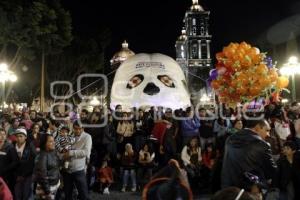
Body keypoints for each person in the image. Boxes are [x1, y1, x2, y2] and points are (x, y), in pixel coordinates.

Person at [221, 118, 277, 189]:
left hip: (229, 189)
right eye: (267, 130)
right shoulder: (262, 144)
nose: (268, 134)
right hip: (251, 190)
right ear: (257, 127)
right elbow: (271, 172)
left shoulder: (230, 139)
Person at [62, 121, 92, 200]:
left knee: (83, 194)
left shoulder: (87, 137)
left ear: (83, 128)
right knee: (68, 194)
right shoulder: (70, 136)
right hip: (67, 169)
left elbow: (86, 152)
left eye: (80, 129)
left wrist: (71, 153)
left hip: (79, 169)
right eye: (75, 129)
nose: (77, 131)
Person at [33, 134, 60, 200]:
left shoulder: (53, 152)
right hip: (46, 188)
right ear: (44, 143)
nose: (53, 143)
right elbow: (42, 175)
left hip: (54, 185)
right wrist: (47, 191)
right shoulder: (42, 156)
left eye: (53, 141)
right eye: (50, 141)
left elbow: (55, 167)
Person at [12, 128, 37, 200]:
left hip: (28, 175)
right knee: (17, 194)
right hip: (16, 175)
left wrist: (24, 174)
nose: (19, 138)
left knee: (26, 194)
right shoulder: (12, 146)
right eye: (17, 136)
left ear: (25, 137)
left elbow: (33, 162)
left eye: (21, 136)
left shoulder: (30, 146)